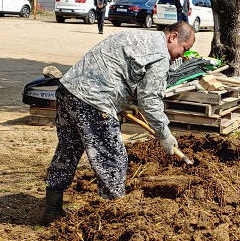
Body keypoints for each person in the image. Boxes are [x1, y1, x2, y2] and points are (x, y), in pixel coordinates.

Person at [41, 22, 195, 225]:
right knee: (113, 160)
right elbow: (150, 99)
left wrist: (122, 102)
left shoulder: (135, 36)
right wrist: (163, 133)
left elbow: (113, 68)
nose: (182, 56)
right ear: (173, 37)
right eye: (184, 49)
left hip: (69, 91)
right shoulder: (160, 55)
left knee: (68, 150)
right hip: (95, 102)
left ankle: (52, 209)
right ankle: (111, 221)